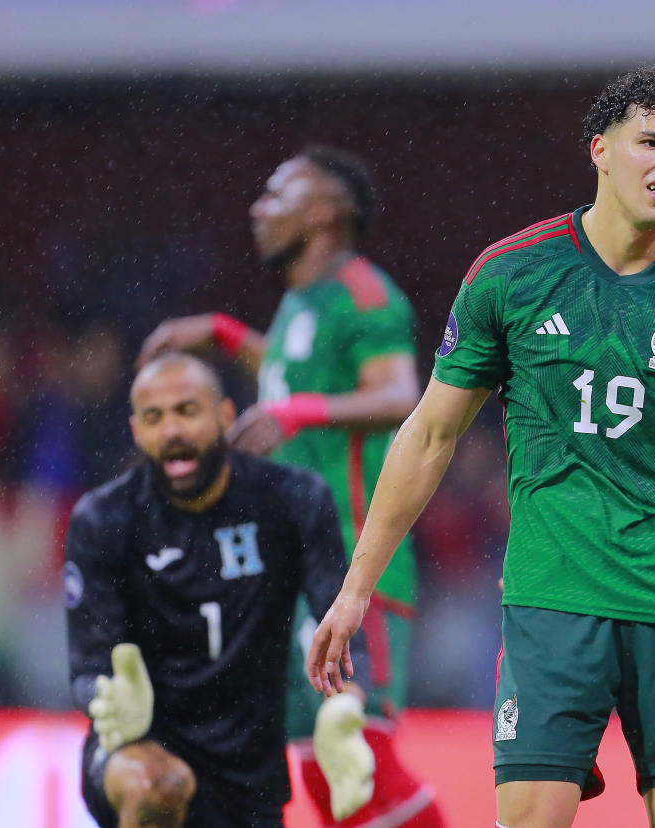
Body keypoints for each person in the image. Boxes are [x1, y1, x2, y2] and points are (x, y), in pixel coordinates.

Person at [305, 65, 655, 828]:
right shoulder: (513, 275)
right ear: (600, 150)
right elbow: (429, 435)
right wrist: (357, 590)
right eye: (650, 141)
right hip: (553, 602)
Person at [138, 146, 441, 826]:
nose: (259, 207)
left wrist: (296, 411)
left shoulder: (366, 293)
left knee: (361, 758)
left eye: (279, 193)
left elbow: (400, 393)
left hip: (359, 564)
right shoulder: (305, 303)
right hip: (303, 570)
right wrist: (222, 334)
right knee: (321, 770)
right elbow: (288, 368)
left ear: (325, 214)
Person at [65, 352, 369, 827]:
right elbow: (87, 662)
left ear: (225, 416)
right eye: (154, 417)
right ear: (136, 430)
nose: (172, 431)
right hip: (146, 742)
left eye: (187, 411)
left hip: (250, 770)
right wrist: (107, 699)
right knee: (156, 788)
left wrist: (344, 708)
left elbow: (339, 617)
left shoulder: (292, 501)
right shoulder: (104, 520)